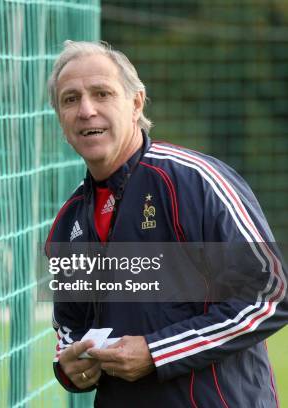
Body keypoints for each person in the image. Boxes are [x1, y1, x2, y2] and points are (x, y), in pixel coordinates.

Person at [45, 40, 288, 406]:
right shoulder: (68, 222)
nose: (86, 110)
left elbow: (271, 294)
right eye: (70, 99)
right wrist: (70, 365)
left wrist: (157, 352)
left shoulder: (196, 181)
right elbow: (69, 327)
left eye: (102, 93)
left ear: (136, 103)